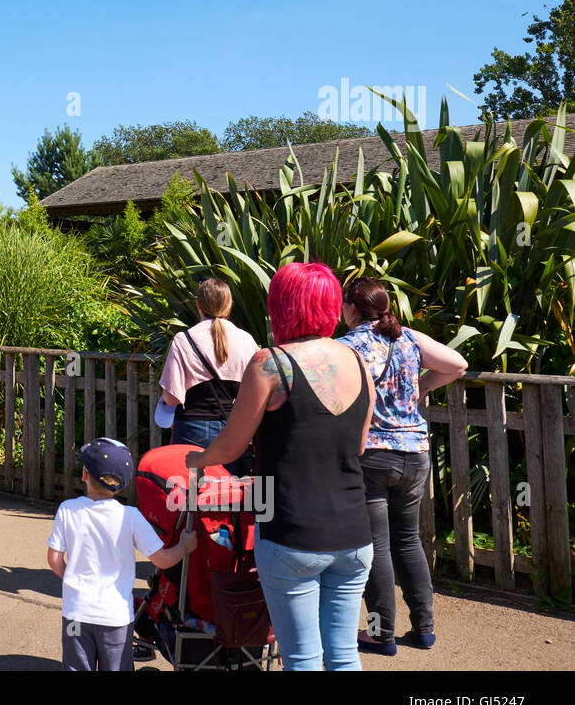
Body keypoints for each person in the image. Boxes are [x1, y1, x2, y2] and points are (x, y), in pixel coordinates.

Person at [185, 262, 375, 671]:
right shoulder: (359, 362)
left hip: (292, 532)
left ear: (284, 307)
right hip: (355, 534)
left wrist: (196, 458)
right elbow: (359, 445)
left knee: (302, 657)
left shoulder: (269, 363)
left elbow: (232, 445)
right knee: (343, 655)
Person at [339, 277, 467, 655]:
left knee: (376, 546)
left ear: (350, 309)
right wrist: (421, 387)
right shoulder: (407, 337)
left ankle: (380, 633)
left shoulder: (348, 346)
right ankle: (424, 629)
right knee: (408, 540)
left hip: (373, 454)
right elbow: (457, 364)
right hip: (416, 451)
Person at [47, 437, 197, 671]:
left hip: (75, 613)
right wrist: (185, 546)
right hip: (115, 617)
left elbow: (54, 560)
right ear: (122, 485)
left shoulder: (68, 509)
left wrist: (72, 580)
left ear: (85, 474)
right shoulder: (131, 517)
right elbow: (162, 560)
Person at [156, 278, 258, 469]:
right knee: (231, 494)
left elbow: (171, 398)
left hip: (192, 431)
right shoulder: (247, 340)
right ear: (229, 305)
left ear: (198, 305)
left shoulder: (183, 340)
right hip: (235, 432)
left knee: (194, 495)